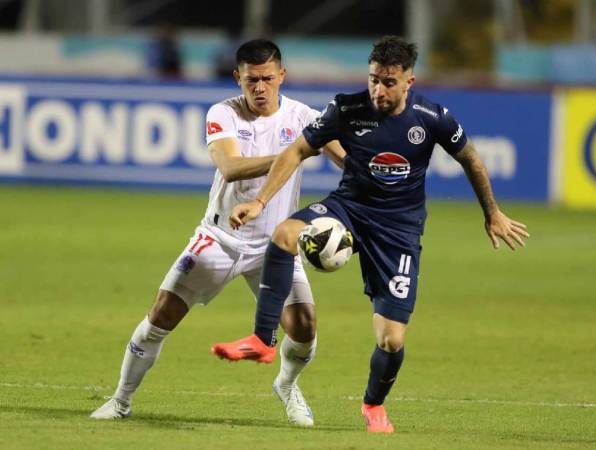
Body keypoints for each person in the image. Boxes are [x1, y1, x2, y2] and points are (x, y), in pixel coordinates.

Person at [211, 35, 530, 433]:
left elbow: (470, 158)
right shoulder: (346, 107)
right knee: (284, 233)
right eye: (373, 79)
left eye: (389, 82)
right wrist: (258, 203)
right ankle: (262, 339)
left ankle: (373, 404)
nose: (379, 90)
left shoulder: (433, 118)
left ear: (408, 82)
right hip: (348, 208)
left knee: (391, 341)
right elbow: (296, 151)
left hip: (398, 229)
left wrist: (492, 213)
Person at [91, 39, 345, 427]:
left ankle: (287, 385)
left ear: (282, 76)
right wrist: (296, 153)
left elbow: (346, 159)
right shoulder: (224, 113)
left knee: (305, 327)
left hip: (275, 246)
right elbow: (229, 167)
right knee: (161, 316)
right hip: (222, 239)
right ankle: (120, 400)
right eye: (250, 80)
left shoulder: (304, 118)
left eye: (267, 79)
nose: (259, 88)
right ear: (237, 78)